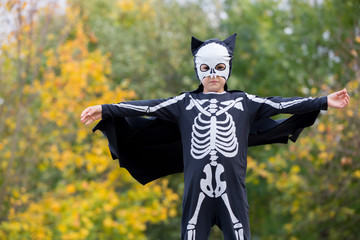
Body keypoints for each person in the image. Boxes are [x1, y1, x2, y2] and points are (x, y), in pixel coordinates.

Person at [80, 34, 349, 240]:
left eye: (219, 67)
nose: (212, 75)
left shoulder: (244, 102)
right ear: (197, 69)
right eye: (205, 68)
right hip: (195, 190)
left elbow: (281, 104)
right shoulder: (184, 103)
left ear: (228, 69)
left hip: (232, 189)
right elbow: (146, 106)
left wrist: (324, 101)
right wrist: (105, 109)